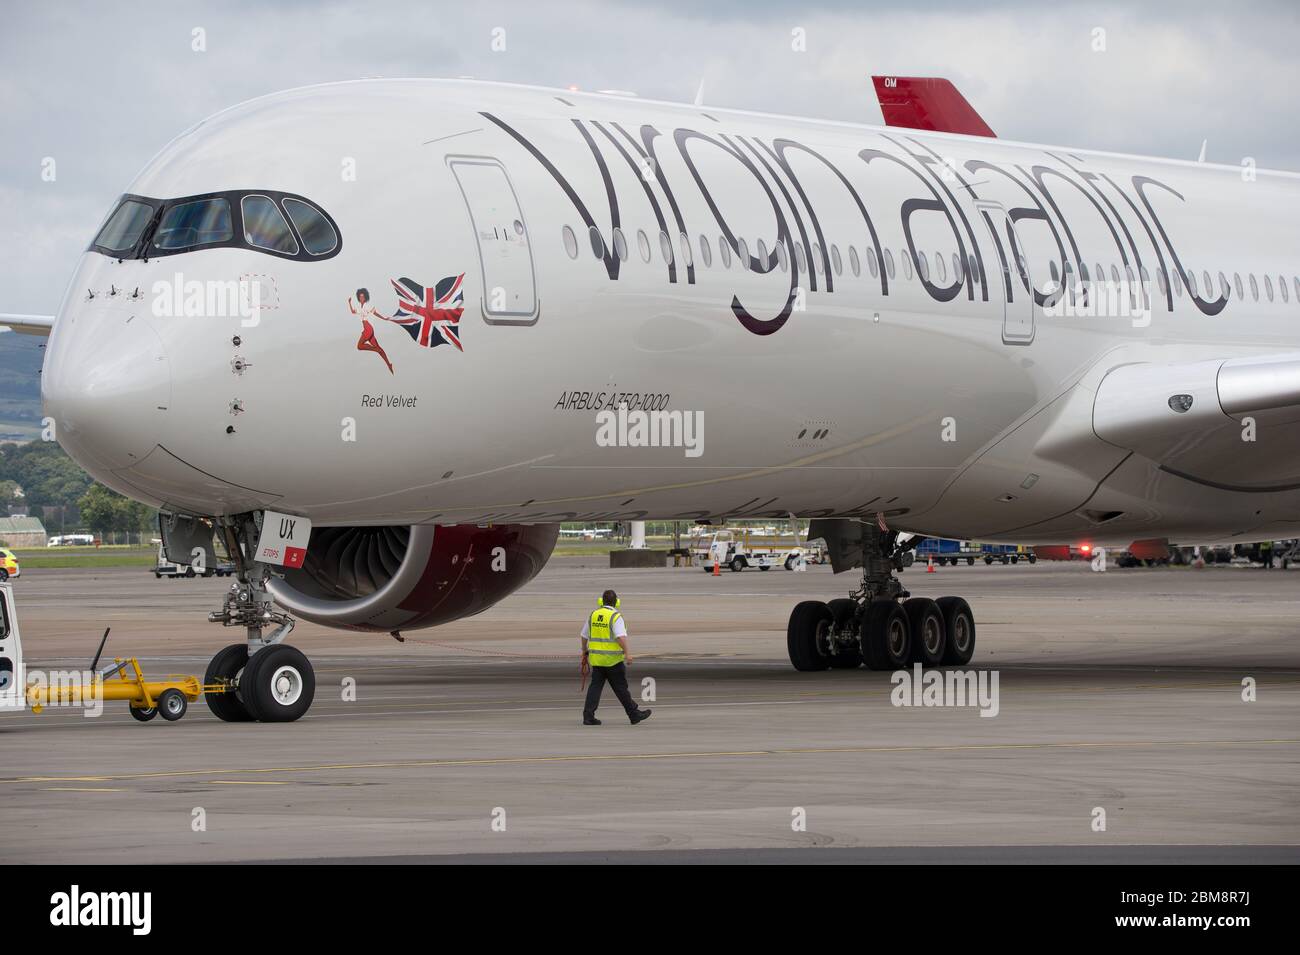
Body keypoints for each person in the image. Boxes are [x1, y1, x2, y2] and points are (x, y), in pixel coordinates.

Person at [580, 589, 651, 726]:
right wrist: (628, 654)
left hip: (597, 661)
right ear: (617, 602)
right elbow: (620, 637)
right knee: (621, 689)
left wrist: (584, 651)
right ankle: (634, 714)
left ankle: (588, 716)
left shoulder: (593, 615)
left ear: (601, 601)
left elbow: (584, 635)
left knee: (595, 688)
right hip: (613, 661)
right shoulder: (615, 617)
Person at [348, 288, 394, 374]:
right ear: (358, 297)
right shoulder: (359, 308)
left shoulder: (367, 306)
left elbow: (375, 313)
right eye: (360, 297)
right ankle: (389, 364)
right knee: (379, 348)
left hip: (368, 329)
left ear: (365, 298)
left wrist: (384, 318)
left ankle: (376, 349)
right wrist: (349, 303)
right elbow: (352, 312)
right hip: (367, 329)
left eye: (363, 297)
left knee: (359, 346)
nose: (362, 298)